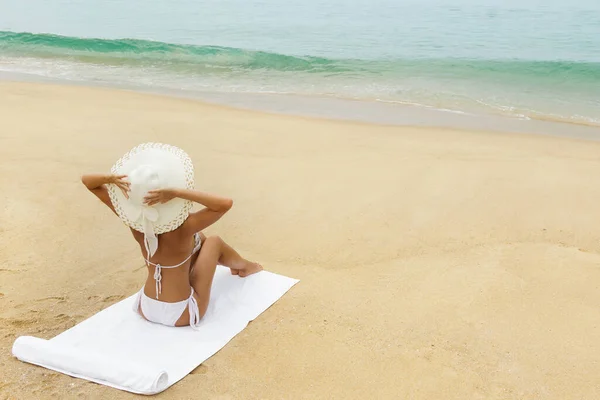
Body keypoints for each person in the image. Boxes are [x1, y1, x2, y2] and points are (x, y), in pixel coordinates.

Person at [81, 142, 262, 330]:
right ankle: (246, 266)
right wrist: (177, 192)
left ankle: (238, 266)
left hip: (146, 307)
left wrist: (111, 178)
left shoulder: (134, 221)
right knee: (213, 241)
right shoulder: (184, 227)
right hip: (182, 313)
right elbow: (225, 203)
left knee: (197, 239)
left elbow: (88, 182)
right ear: (166, 197)